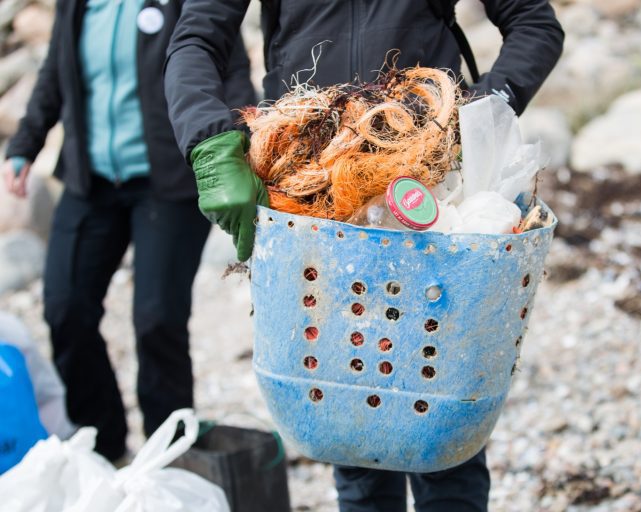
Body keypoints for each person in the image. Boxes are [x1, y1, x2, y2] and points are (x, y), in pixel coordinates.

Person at [164, 1, 563, 510]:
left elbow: (534, 23)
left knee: (440, 411)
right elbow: (196, 37)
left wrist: (477, 115)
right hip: (311, 181)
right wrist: (210, 137)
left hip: (433, 186)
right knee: (346, 410)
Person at [2, 0, 255, 462]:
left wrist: (246, 139)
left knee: (156, 319)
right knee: (65, 309)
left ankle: (169, 456)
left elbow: (229, 67)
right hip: (90, 180)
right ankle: (105, 447)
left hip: (168, 183)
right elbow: (56, 74)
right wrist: (25, 142)